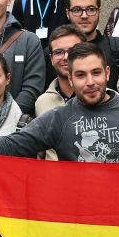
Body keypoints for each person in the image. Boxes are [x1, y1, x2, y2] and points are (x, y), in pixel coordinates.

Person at [35, 25, 86, 161]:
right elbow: (40, 153)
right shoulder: (42, 102)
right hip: (54, 180)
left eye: (73, 51)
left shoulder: (105, 98)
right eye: (59, 52)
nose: (65, 57)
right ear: (51, 58)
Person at [64, 0, 119, 90]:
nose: (84, 15)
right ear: (68, 13)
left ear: (99, 12)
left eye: (90, 9)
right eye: (77, 10)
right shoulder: (57, 53)